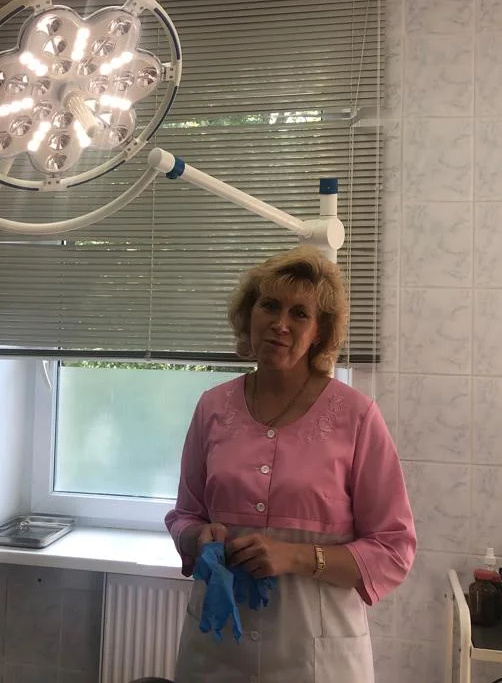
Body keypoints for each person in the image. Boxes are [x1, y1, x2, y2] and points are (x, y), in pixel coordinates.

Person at [164, 245, 417, 683]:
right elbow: (185, 515)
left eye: (300, 313)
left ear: (319, 332)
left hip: (317, 655)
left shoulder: (357, 417)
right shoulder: (213, 408)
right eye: (269, 306)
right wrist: (198, 538)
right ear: (249, 315)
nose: (281, 324)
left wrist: (298, 557)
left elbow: (394, 549)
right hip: (217, 645)